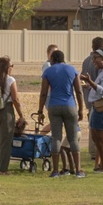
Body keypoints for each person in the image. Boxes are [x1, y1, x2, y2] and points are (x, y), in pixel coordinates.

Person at [36, 49, 85, 178]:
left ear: (52, 59)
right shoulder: (72, 70)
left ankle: (55, 171)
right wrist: (81, 109)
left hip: (54, 106)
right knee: (73, 138)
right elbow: (78, 91)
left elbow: (43, 93)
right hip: (70, 105)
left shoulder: (48, 71)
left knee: (56, 138)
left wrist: (40, 111)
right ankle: (78, 170)